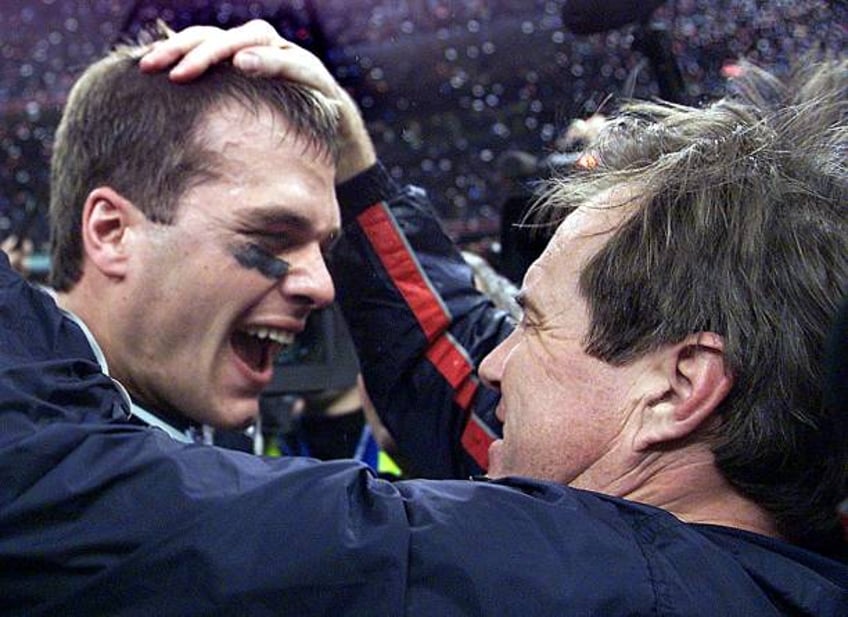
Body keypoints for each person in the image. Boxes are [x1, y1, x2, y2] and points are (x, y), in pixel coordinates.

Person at [1, 20, 845, 615]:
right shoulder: (764, 559)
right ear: (109, 230)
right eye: (271, 235)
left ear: (682, 387)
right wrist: (359, 169)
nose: (493, 363)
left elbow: (76, 503)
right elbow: (453, 378)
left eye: (533, 322)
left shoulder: (585, 572)